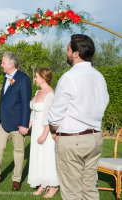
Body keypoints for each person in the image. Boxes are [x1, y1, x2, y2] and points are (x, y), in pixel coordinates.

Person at [48, 34, 109, 200]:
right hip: (95, 139)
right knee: (90, 191)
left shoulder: (69, 77)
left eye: (68, 49)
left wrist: (54, 128)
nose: (66, 52)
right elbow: (104, 103)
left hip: (72, 140)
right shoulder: (99, 77)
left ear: (76, 53)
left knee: (71, 193)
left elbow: (55, 114)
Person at [0, 52, 31, 191]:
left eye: (3, 62)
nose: (1, 65)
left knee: (19, 152)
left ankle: (16, 179)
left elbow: (25, 103)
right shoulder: (6, 78)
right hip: (3, 124)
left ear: (12, 64)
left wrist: (24, 124)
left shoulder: (23, 78)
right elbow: (3, 102)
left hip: (18, 124)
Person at [27, 68, 59, 198]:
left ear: (43, 78)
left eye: (36, 77)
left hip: (45, 129)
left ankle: (54, 185)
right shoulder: (38, 92)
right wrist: (28, 125)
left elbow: (49, 116)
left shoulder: (50, 93)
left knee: (48, 157)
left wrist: (45, 134)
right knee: (38, 156)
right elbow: (34, 112)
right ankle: (43, 183)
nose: (34, 79)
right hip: (36, 129)